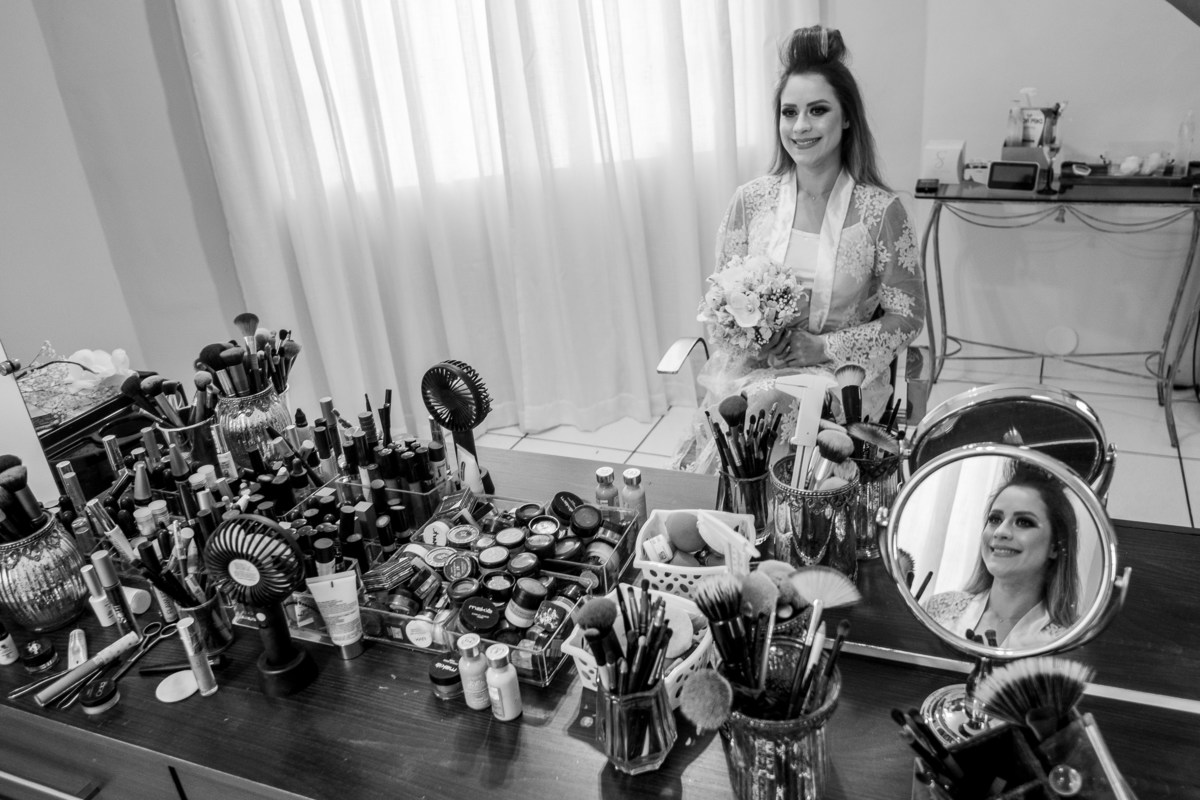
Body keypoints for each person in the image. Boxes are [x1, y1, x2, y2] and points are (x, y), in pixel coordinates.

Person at [673, 25, 925, 474]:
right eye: (789, 112)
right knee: (745, 417)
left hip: (841, 380)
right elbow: (720, 306)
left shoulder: (881, 212)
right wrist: (758, 342)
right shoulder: (750, 202)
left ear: (846, 118)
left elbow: (906, 318)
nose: (801, 126)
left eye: (817, 110)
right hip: (754, 373)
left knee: (771, 410)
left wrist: (822, 347)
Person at [924, 463, 1081, 649]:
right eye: (994, 519)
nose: (1000, 532)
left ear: (1056, 546)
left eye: (1024, 522)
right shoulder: (936, 611)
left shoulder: (1070, 642)